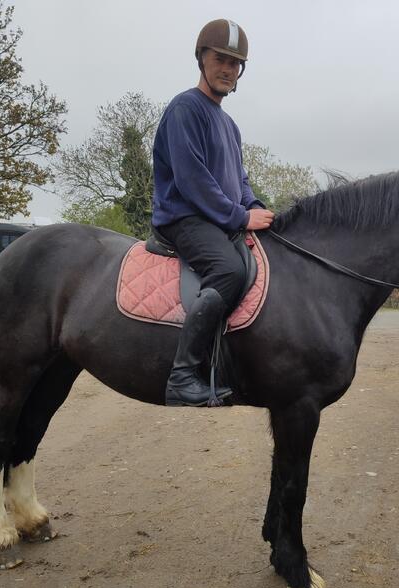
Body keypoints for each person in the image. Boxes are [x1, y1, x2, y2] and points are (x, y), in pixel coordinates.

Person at [151, 18, 274, 407]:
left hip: (214, 219)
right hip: (183, 218)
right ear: (201, 59)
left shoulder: (230, 125)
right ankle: (182, 376)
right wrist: (238, 218)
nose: (227, 69)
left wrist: (254, 207)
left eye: (235, 63)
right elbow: (192, 180)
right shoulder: (185, 108)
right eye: (220, 59)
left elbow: (239, 179)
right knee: (230, 270)